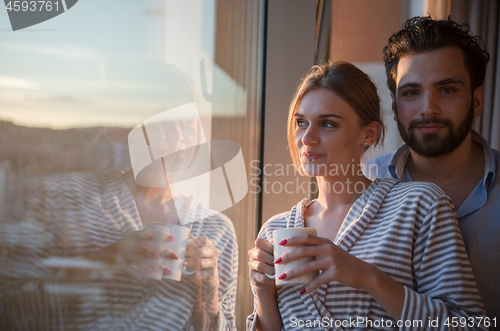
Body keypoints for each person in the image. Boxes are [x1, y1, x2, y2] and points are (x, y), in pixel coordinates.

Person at [247, 62, 487, 330]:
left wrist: (369, 278)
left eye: (327, 124)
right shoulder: (275, 230)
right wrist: (262, 292)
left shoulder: (419, 206)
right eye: (301, 122)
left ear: (369, 134)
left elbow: (469, 325)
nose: (307, 138)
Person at [0, 66, 238, 331]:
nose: (178, 138)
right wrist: (101, 262)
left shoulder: (217, 231)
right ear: (127, 128)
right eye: (161, 122)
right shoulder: (63, 196)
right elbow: (10, 307)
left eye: (187, 123)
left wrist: (210, 297)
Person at [364, 16, 500, 322]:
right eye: (411, 92)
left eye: (447, 90)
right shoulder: (362, 183)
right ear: (395, 106)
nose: (429, 108)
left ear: (476, 101)